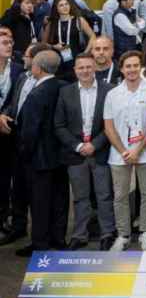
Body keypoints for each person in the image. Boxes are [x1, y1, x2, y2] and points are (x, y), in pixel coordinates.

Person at [6, 49, 66, 255]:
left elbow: (30, 132)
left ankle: (40, 244)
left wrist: (23, 154)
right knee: (58, 199)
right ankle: (58, 239)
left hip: (37, 159)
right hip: (58, 156)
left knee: (39, 203)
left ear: (38, 68)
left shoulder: (36, 95)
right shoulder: (62, 87)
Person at [54, 53, 116, 250]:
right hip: (76, 154)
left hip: (101, 152)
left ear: (95, 68)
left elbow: (112, 124)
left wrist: (94, 145)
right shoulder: (65, 92)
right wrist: (79, 146)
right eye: (81, 68)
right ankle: (80, 235)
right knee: (80, 197)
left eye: (89, 67)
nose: (85, 71)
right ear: (75, 70)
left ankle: (108, 233)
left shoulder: (109, 91)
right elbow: (59, 125)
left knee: (104, 195)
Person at [102, 49, 146, 251]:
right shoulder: (112, 94)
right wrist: (124, 150)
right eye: (128, 66)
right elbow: (108, 126)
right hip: (119, 154)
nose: (132, 69)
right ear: (122, 69)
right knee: (120, 196)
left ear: (141, 67)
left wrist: (137, 149)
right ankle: (123, 234)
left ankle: (144, 233)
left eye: (136, 65)